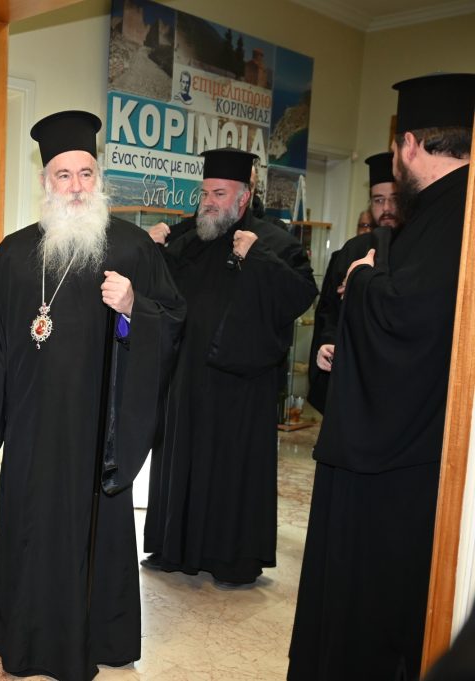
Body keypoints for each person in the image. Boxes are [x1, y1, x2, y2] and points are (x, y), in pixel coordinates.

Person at [0, 110, 185, 681]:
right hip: (32, 428)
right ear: (45, 182)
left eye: (85, 173)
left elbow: (174, 320)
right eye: (63, 175)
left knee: (93, 529)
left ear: (98, 178)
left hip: (99, 433)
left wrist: (135, 308)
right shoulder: (14, 254)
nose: (76, 186)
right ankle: (23, 633)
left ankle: (97, 635)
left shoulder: (131, 249)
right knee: (30, 525)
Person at [288, 73, 475, 681]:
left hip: (398, 464)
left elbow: (406, 319)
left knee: (371, 606)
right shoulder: (446, 213)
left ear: (410, 145)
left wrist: (362, 279)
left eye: (397, 149)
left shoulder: (452, 216)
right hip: (415, 449)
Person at [142, 147, 317, 588]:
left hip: (241, 387)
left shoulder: (275, 242)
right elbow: (159, 294)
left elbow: (300, 296)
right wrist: (152, 251)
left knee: (230, 473)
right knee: (182, 462)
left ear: (244, 196)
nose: (209, 202)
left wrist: (257, 258)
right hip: (186, 379)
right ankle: (174, 549)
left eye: (219, 194)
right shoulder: (187, 237)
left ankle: (230, 558)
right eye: (205, 193)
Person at [306, 152, 400, 413]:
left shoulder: (418, 248)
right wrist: (328, 342)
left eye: (394, 199)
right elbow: (329, 311)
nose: (386, 208)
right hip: (352, 373)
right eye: (378, 200)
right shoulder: (353, 249)